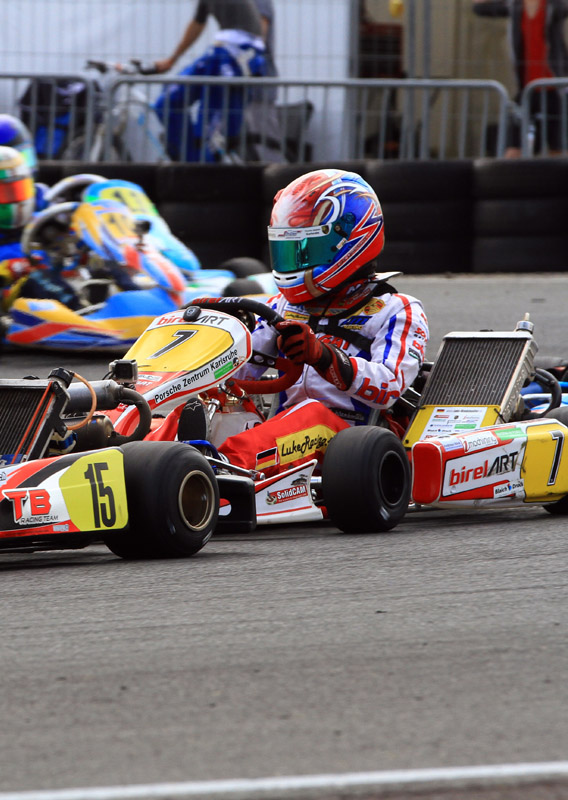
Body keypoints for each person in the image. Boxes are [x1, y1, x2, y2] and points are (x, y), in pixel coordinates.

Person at [151, 168, 429, 474]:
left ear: (351, 241)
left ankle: (221, 471)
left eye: (307, 249)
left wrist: (324, 357)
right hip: (285, 431)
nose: (296, 261)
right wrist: (218, 347)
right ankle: (146, 456)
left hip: (355, 442)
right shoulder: (281, 307)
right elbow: (241, 374)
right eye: (289, 249)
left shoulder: (396, 310)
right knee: (209, 404)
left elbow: (389, 387)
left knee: (310, 413)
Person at [0, 145, 79, 309]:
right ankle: (78, 311)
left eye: (17, 190)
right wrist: (13, 268)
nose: (13, 199)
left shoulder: (43, 218)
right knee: (37, 279)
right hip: (3, 301)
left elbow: (74, 247)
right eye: (2, 192)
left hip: (55, 284)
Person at [151, 0, 269, 162]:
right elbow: (197, 23)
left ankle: (200, 163)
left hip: (233, 54)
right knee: (167, 103)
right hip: (226, 52)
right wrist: (172, 60)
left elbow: (198, 24)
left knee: (210, 132)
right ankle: (191, 161)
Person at [473, 0, 568, 156]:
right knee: (514, 149)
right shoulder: (515, 6)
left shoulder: (553, 6)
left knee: (558, 149)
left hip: (553, 89)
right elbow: (480, 8)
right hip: (527, 89)